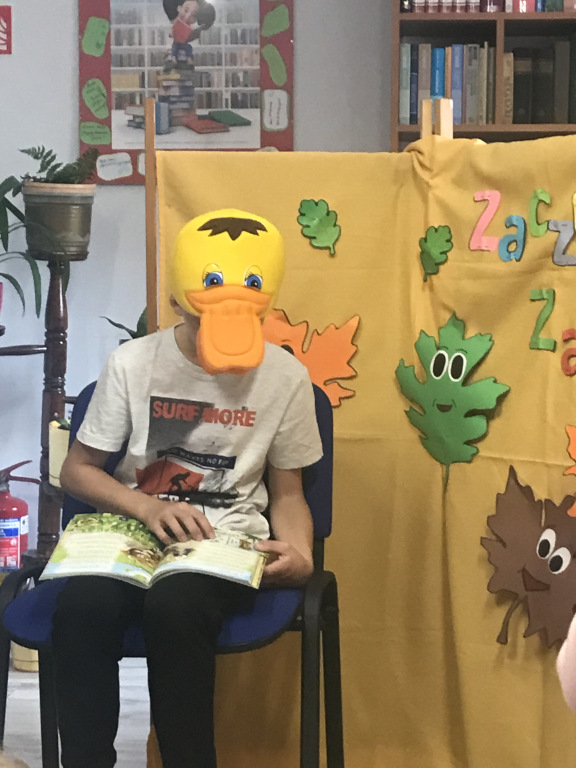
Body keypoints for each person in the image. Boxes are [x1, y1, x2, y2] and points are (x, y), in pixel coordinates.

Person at [53, 209, 323, 768]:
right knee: (83, 607)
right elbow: (78, 471)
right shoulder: (132, 364)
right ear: (178, 302)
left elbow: (289, 494)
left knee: (176, 608)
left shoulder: (285, 378)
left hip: (223, 540)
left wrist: (301, 554)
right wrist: (145, 506)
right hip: (132, 529)